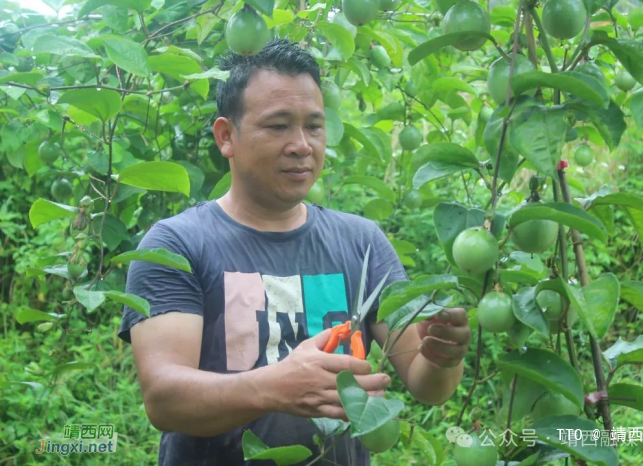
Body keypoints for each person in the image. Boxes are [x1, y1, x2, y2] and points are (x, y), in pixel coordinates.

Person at [117, 38, 471, 466]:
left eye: (314, 127)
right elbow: (164, 399)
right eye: (278, 125)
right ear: (226, 136)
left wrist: (442, 357)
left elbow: (425, 384)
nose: (302, 145)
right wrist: (274, 386)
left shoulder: (361, 242)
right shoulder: (177, 244)